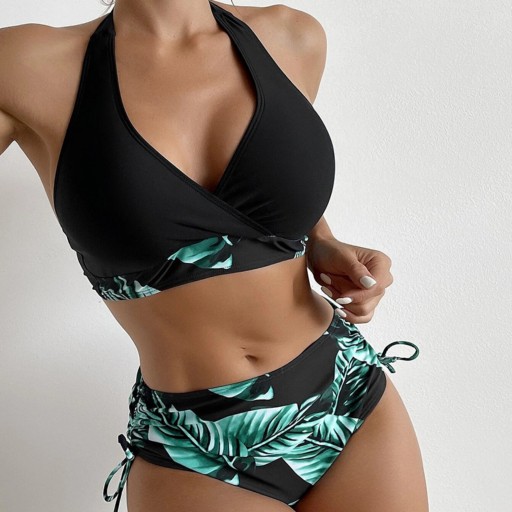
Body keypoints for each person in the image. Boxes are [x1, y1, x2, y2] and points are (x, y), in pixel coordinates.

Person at [0, 1, 428, 510]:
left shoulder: (291, 37)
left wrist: (321, 239)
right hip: (198, 444)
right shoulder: (25, 66)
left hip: (347, 393)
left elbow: (273, 180)